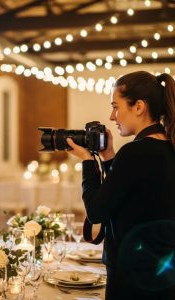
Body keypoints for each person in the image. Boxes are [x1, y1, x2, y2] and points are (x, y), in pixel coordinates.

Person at [67, 71, 175, 300]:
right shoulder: (167, 148)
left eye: (116, 107)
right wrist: (109, 157)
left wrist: (88, 161)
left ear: (138, 107)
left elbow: (96, 211)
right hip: (161, 271)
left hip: (131, 275)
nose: (112, 116)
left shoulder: (135, 152)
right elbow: (132, 191)